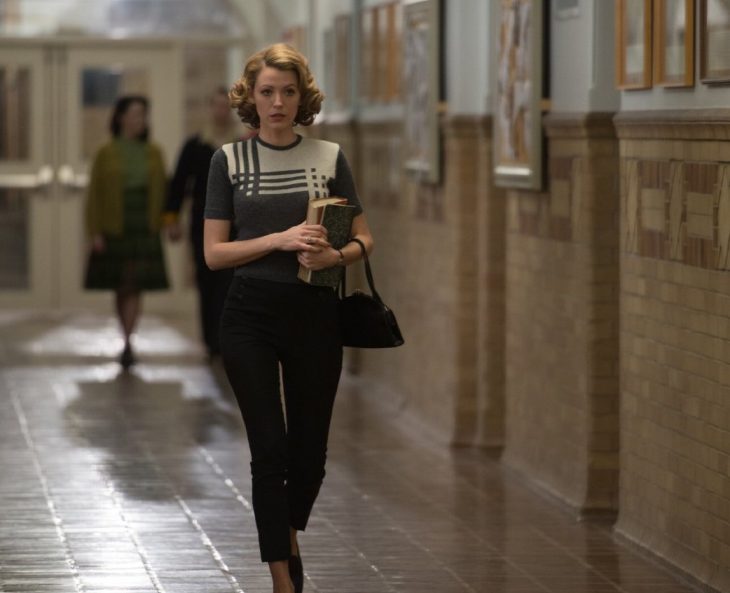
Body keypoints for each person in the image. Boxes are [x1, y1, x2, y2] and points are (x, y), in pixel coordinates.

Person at [204, 44, 374, 593]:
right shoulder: (228, 161)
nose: (278, 102)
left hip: (315, 313)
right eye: (267, 92)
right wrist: (278, 239)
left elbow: (365, 237)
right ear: (251, 99)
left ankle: (286, 533)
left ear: (303, 97)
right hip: (249, 313)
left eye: (288, 91)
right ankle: (283, 578)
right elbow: (214, 254)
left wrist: (336, 256)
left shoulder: (329, 157)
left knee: (309, 458)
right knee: (268, 449)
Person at [84, 95, 169, 369]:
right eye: (134, 114)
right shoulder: (105, 152)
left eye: (143, 114)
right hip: (115, 225)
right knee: (121, 285)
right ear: (120, 117)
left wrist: (168, 221)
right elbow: (94, 195)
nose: (139, 120)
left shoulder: (154, 152)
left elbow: (164, 191)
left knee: (135, 285)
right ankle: (125, 335)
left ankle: (128, 341)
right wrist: (94, 231)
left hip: (144, 224)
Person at [164, 87, 244, 359]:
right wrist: (172, 219)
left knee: (231, 282)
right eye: (217, 105)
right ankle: (211, 339)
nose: (221, 111)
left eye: (226, 106)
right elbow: (178, 185)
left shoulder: (243, 144)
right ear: (211, 109)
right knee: (207, 279)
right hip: (204, 222)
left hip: (238, 223)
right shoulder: (196, 145)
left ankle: (228, 336)